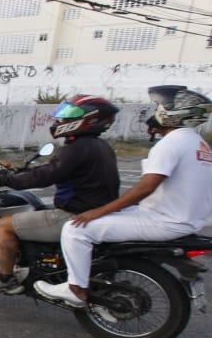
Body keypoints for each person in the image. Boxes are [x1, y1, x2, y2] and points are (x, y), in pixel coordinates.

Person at [35, 87, 212, 307]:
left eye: (159, 107)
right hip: (184, 219)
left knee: (76, 229)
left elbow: (146, 187)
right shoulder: (199, 144)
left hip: (163, 220)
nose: (156, 112)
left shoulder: (171, 143)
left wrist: (100, 211)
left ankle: (75, 289)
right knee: (102, 220)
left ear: (173, 112)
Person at [0, 94, 120, 295]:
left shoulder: (77, 148)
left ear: (89, 119)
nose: (62, 120)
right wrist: (23, 172)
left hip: (74, 214)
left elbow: (44, 176)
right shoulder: (100, 146)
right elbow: (54, 169)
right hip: (96, 210)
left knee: (4, 225)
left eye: (70, 115)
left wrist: (2, 179)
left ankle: (6, 278)